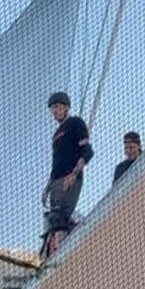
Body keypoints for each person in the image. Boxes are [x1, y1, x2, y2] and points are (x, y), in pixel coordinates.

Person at [41, 91, 93, 256]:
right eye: (53, 108)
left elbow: (87, 151)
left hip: (70, 178)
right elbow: (56, 163)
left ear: (66, 108)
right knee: (52, 219)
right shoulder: (56, 134)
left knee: (61, 218)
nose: (55, 111)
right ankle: (51, 252)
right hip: (56, 180)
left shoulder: (75, 123)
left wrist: (74, 174)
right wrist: (48, 186)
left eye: (57, 107)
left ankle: (64, 252)